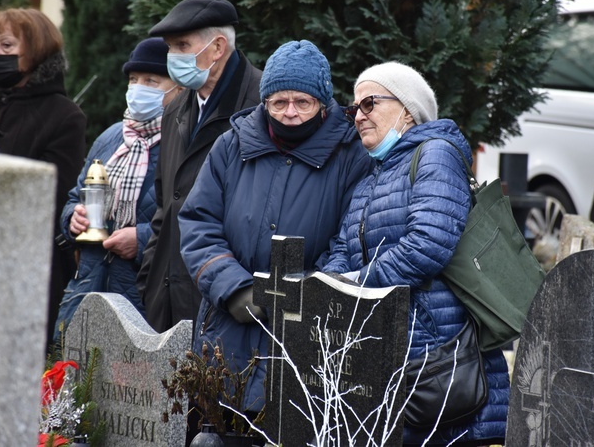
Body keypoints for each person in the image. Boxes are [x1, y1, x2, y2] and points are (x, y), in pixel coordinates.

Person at [177, 40, 372, 415]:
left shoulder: (350, 155)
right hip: (228, 328)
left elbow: (350, 236)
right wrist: (233, 288)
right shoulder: (231, 146)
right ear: (264, 102)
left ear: (322, 103)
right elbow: (199, 221)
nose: (290, 113)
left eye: (303, 102)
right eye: (279, 102)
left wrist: (309, 293)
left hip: (306, 332)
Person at [323, 62, 509, 446]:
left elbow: (427, 245)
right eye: (353, 108)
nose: (358, 116)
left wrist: (357, 283)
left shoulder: (434, 155)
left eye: (370, 104)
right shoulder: (374, 174)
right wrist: (330, 284)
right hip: (393, 353)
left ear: (407, 109)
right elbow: (344, 246)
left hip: (435, 355)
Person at [0, 7, 86, 349]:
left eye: (7, 46)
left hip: (22, 270)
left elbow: (54, 198)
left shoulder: (63, 115)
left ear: (37, 49)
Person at [137, 0, 262, 333]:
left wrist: (238, 292)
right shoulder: (175, 109)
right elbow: (166, 206)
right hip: (167, 300)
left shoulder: (262, 105)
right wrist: (150, 276)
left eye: (181, 46)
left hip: (227, 303)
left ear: (218, 47)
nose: (171, 57)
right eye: (169, 47)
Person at [53, 38, 182, 341]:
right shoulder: (112, 137)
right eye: (133, 80)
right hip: (86, 290)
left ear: (178, 87)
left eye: (151, 80)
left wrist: (141, 239)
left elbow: (189, 218)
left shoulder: (181, 142)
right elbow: (76, 196)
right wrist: (73, 218)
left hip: (143, 299)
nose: (138, 88)